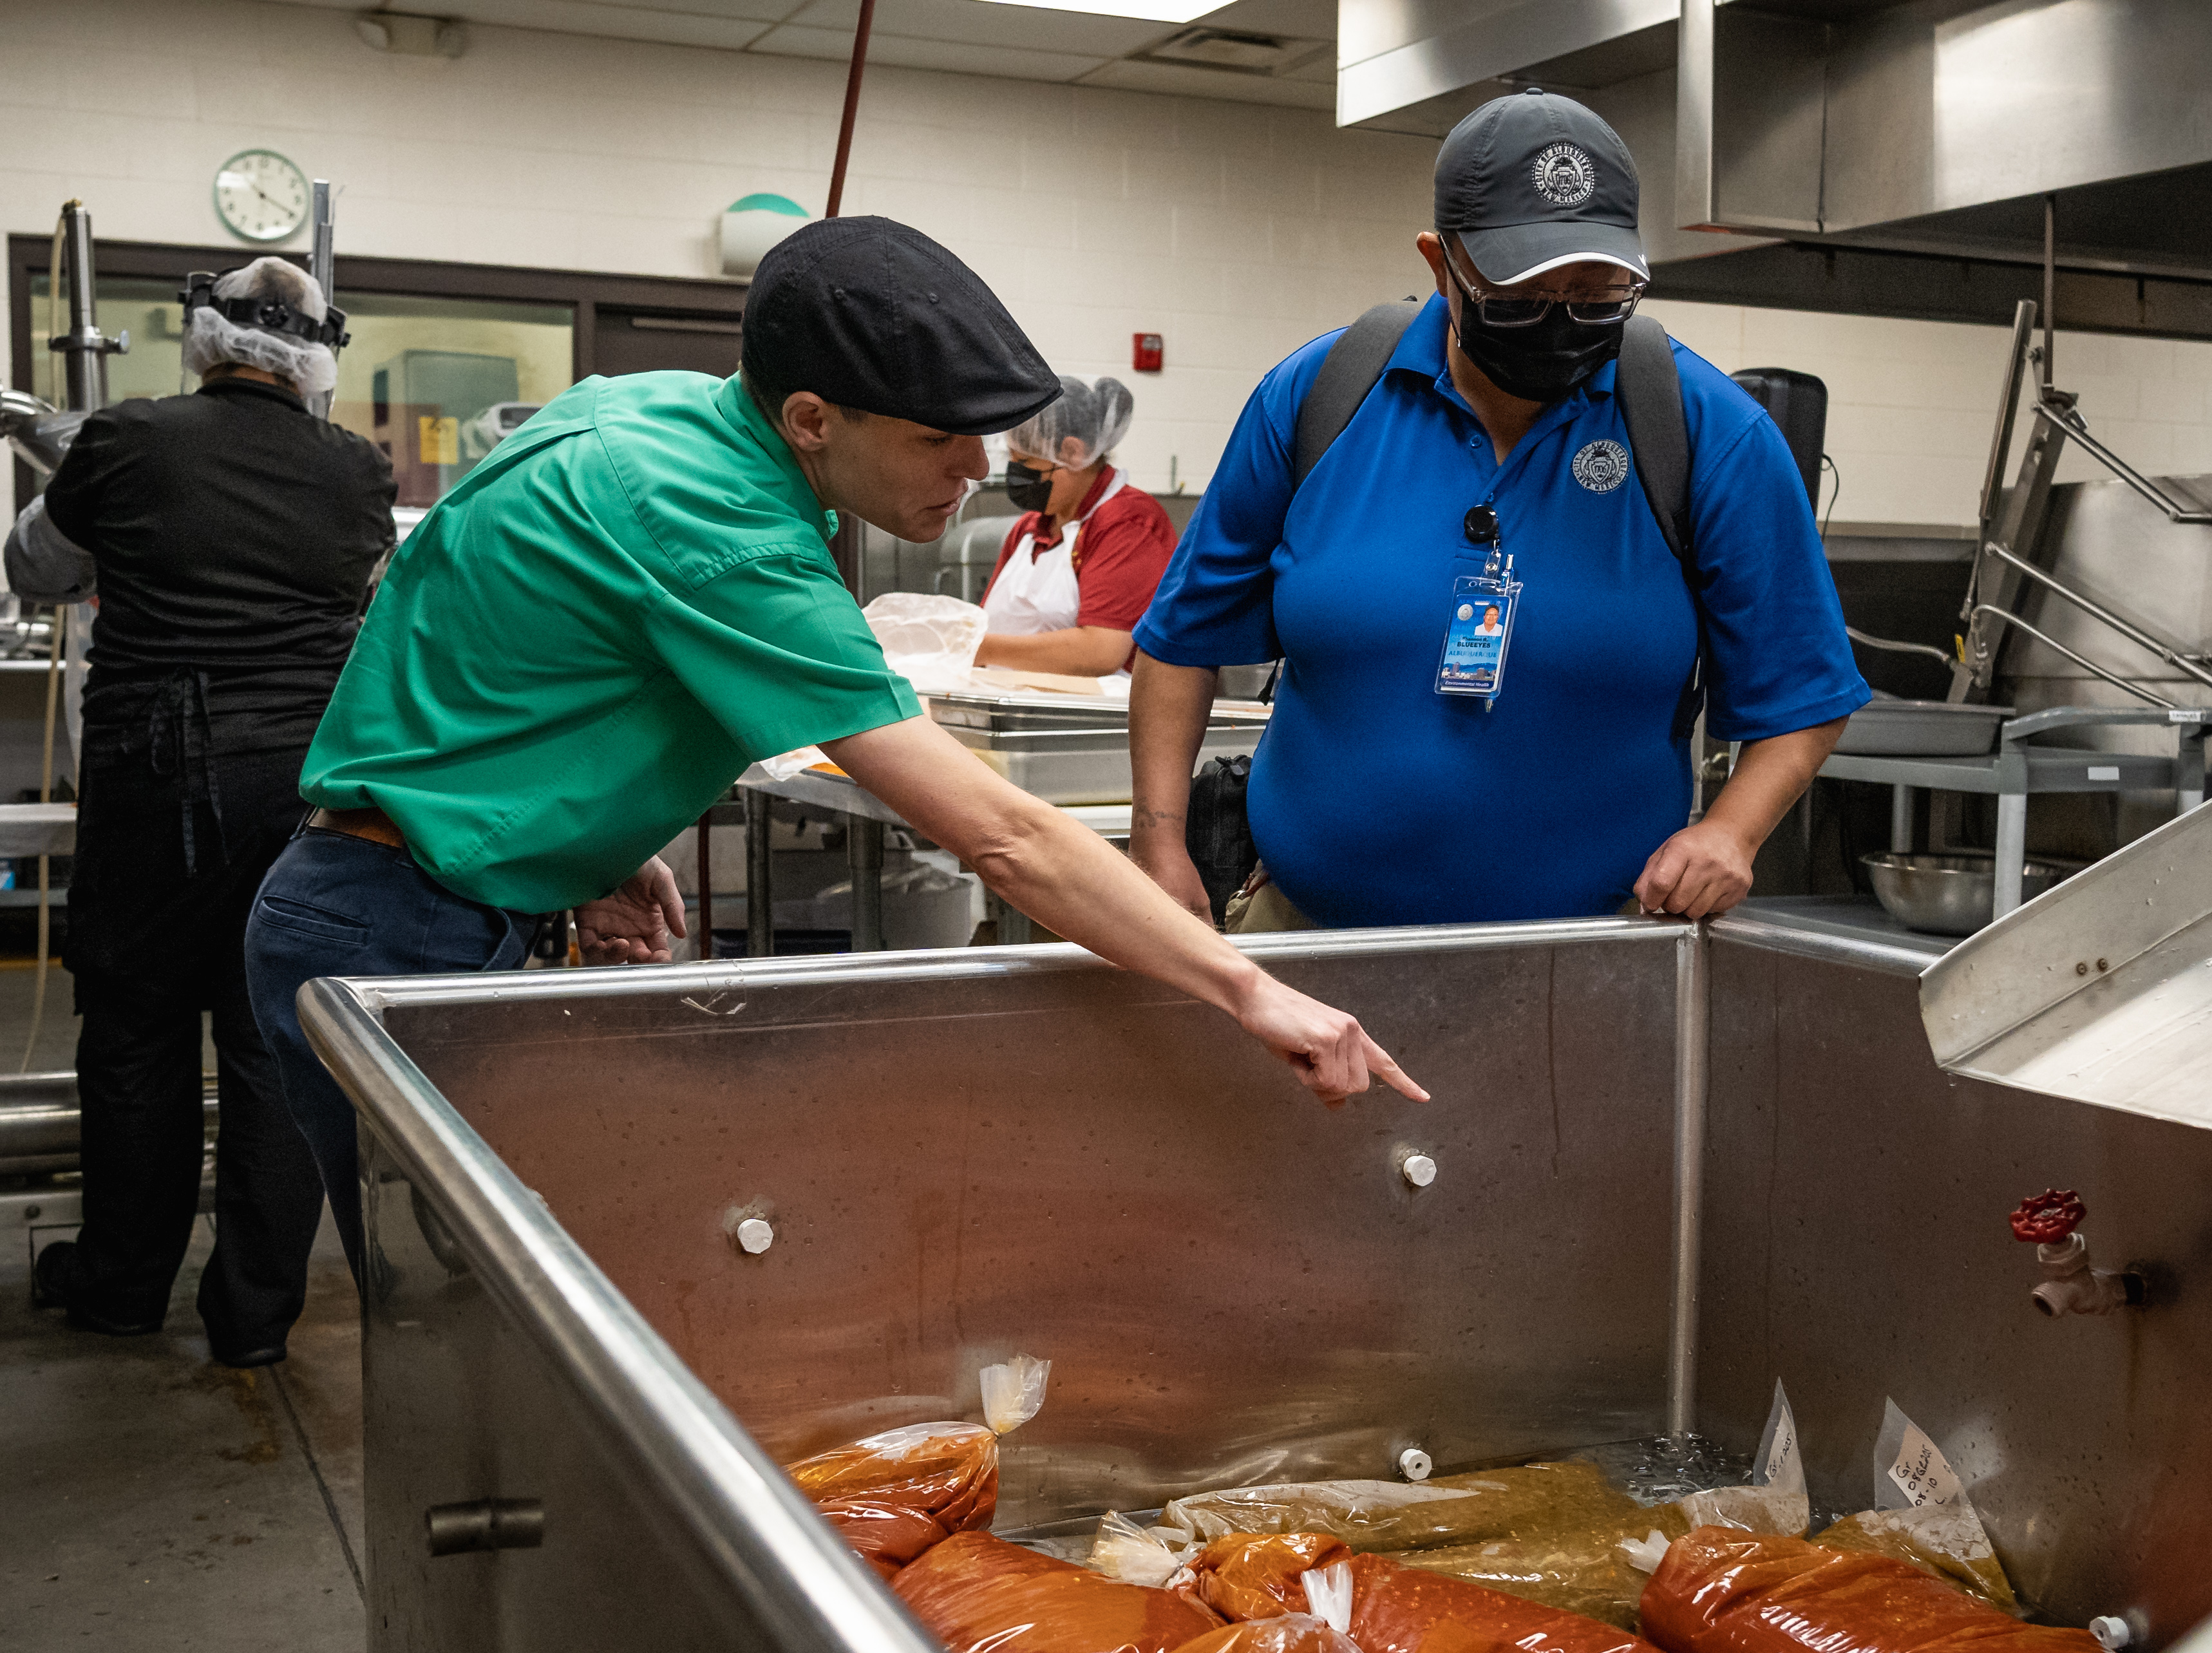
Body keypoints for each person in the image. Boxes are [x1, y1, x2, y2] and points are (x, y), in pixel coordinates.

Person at [242, 218, 1423, 1290]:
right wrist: (1246, 985)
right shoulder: (717, 524)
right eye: (939, 441)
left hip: (411, 891)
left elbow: (486, 630)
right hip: (390, 926)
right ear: (812, 419)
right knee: (469, 1314)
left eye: (986, 440)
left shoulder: (644, 412)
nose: (975, 474)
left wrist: (585, 848)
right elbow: (1005, 837)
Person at [1126, 91, 1868, 932]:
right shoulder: (1321, 396)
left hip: (1596, 950)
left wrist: (1732, 833)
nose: (1559, 324)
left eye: (1596, 297)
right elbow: (1180, 642)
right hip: (1309, 936)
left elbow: (1804, 691)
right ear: (1442, 265)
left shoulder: (1705, 432)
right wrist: (1159, 842)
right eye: (1520, 297)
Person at [5, 257, 392, 1365]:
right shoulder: (357, 472)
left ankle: (122, 1285)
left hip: (150, 777)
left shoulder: (123, 440)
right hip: (301, 781)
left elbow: (32, 566)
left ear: (204, 338)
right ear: (320, 358)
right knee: (275, 1044)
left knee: (136, 1032)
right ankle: (255, 1315)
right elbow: (374, 603)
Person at [975, 375, 1175, 677]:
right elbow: (983, 623)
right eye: (1013, 460)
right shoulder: (1028, 529)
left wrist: (977, 648)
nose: (1016, 474)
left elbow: (1102, 651)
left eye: (1027, 463)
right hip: (1018, 705)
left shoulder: (1128, 522)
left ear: (1073, 453)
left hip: (1098, 715)